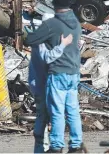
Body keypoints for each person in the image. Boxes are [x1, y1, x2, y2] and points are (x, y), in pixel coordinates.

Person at [25, 0, 83, 154]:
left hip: (58, 73)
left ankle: (56, 146)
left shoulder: (52, 24)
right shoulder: (77, 23)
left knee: (57, 111)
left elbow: (30, 39)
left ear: (54, 4)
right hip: (74, 73)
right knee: (72, 110)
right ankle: (76, 146)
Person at [28, 15, 74, 154]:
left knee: (44, 116)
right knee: (49, 116)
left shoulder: (40, 40)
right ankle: (47, 149)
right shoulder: (42, 43)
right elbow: (48, 58)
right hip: (42, 86)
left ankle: (41, 149)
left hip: (39, 84)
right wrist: (63, 45)